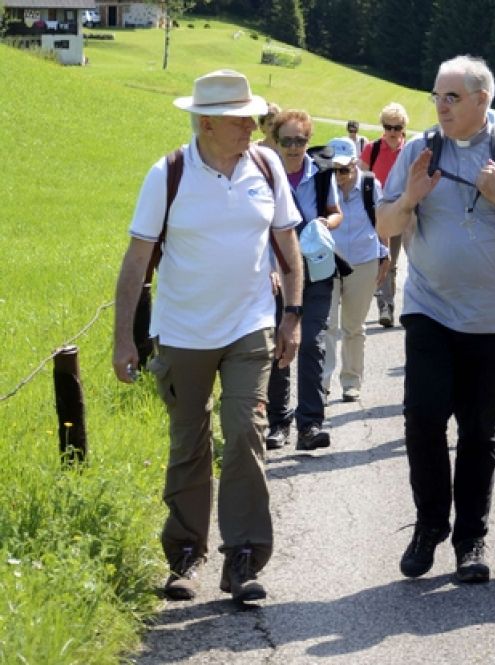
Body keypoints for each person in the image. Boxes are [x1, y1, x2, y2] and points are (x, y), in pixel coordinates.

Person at [112, 69, 304, 603]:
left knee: (246, 430)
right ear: (209, 122)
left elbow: (288, 246)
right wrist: (124, 338)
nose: (253, 125)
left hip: (250, 325)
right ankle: (184, 556)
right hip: (182, 330)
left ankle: (242, 558)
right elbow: (135, 263)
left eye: (253, 116)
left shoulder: (265, 166)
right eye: (242, 118)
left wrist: (292, 313)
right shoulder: (168, 173)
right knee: (188, 442)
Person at [377, 55, 495, 583]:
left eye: (452, 96)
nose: (441, 105)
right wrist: (410, 196)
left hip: (493, 317)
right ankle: (430, 523)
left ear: (483, 100)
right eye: (437, 95)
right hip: (429, 308)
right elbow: (384, 221)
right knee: (423, 419)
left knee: (479, 430)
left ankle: (470, 539)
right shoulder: (417, 150)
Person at [264, 109, 344, 451]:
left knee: (311, 342)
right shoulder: (265, 176)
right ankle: (277, 423)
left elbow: (335, 212)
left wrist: (328, 224)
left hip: (316, 271)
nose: (294, 147)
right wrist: (268, 267)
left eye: (300, 140)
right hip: (276, 274)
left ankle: (310, 425)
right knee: (278, 345)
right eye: (287, 141)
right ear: (276, 142)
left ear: (308, 141)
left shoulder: (322, 173)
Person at [317, 138, 390, 403]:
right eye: (334, 170)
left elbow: (381, 222)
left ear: (355, 163)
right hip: (327, 261)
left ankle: (351, 381)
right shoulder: (323, 185)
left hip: (363, 261)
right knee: (327, 326)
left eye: (344, 170)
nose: (339, 176)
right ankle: (322, 384)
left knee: (354, 326)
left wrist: (386, 255)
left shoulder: (370, 186)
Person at [360, 102, 409, 328]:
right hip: (377, 212)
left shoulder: (409, 151)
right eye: (388, 127)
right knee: (384, 258)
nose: (392, 132)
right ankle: (385, 306)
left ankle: (398, 304)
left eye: (396, 127)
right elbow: (360, 178)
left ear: (403, 129)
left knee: (397, 260)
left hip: (403, 211)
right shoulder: (372, 148)